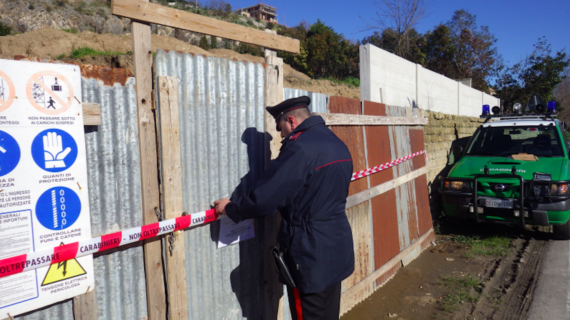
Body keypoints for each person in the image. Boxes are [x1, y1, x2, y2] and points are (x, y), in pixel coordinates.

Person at [214, 96, 355, 320]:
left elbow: (265, 199)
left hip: (309, 255)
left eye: (281, 129)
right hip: (336, 247)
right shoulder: (336, 143)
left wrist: (231, 208)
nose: (281, 136)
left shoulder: (300, 149)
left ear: (291, 120)